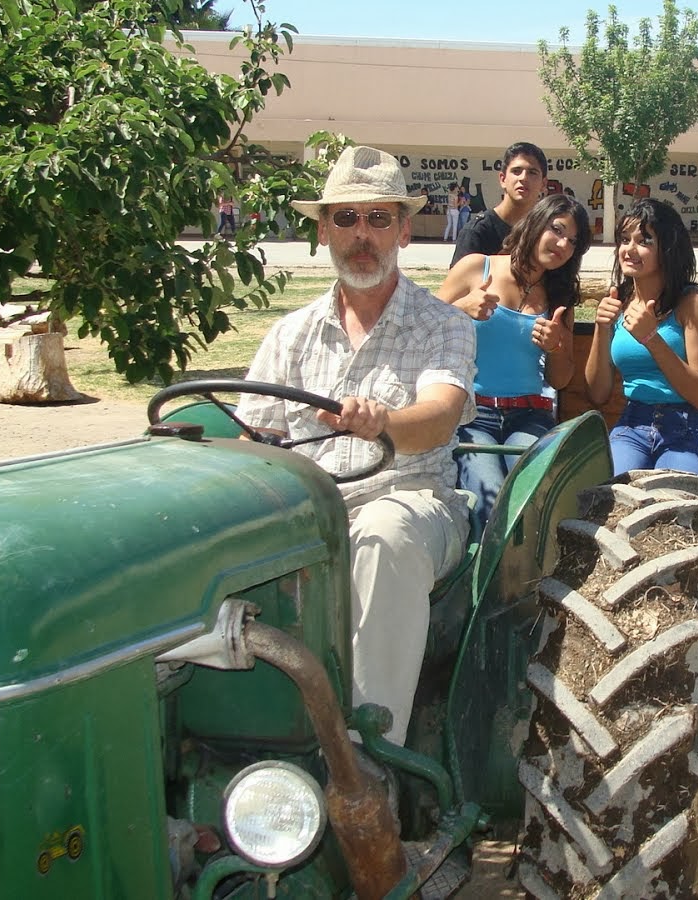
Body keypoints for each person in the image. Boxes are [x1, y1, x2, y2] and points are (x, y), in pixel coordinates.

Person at [235, 145, 477, 746]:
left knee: (381, 536)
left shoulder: (442, 324)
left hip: (415, 500)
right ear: (322, 231)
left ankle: (371, 762)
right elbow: (254, 437)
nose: (361, 234)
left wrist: (385, 421)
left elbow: (440, 417)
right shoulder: (289, 334)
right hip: (309, 512)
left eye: (377, 218)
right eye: (345, 218)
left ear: (403, 229)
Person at [436, 194, 589, 523]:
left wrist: (556, 347)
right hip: (473, 414)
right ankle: (487, 574)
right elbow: (423, 331)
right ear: (536, 223)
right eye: (557, 230)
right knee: (490, 501)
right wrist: (461, 311)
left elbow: (559, 380)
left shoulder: (559, 297)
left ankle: (525, 573)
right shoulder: (477, 267)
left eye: (572, 241)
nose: (562, 243)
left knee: (529, 496)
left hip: (530, 415)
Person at [585, 198, 698, 477]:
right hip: (633, 423)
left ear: (667, 250)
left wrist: (652, 338)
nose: (629, 249)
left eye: (644, 240)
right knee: (606, 494)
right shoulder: (618, 301)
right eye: (624, 239)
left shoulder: (692, 302)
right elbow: (598, 393)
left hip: (688, 425)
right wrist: (601, 327)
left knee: (671, 501)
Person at [451, 142, 547, 265]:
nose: (523, 178)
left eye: (532, 172)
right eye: (516, 171)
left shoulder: (547, 231)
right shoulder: (477, 232)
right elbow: (458, 282)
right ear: (503, 179)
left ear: (543, 184)